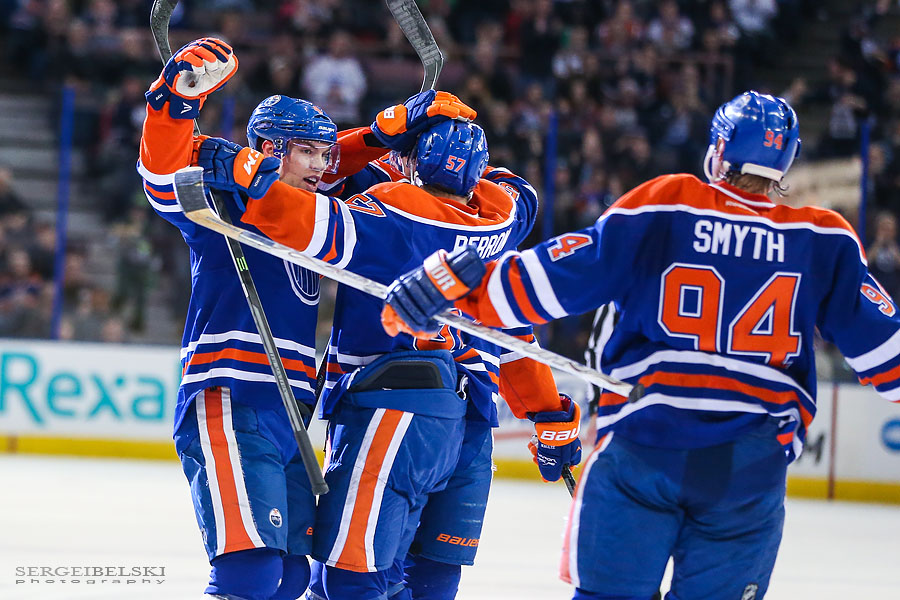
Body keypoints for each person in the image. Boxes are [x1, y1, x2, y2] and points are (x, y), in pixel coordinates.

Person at [380, 91, 900, 599]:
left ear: (717, 151)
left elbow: (561, 275)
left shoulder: (668, 204)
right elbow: (890, 360)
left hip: (645, 445)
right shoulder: (824, 239)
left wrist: (458, 280)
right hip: (748, 468)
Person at [194, 93, 580, 600]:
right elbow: (513, 337)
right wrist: (551, 417)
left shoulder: (388, 213)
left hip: (394, 408)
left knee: (347, 580)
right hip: (470, 427)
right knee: (431, 578)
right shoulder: (505, 219)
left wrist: (247, 170)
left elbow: (294, 210)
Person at [137, 37, 465, 600]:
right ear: (266, 148)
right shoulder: (224, 204)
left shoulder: (311, 218)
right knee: (251, 573)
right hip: (229, 397)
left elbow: (355, 177)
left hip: (290, 414)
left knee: (289, 578)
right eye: (306, 152)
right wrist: (175, 102)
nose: (319, 165)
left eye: (324, 154)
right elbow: (163, 173)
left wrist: (386, 134)